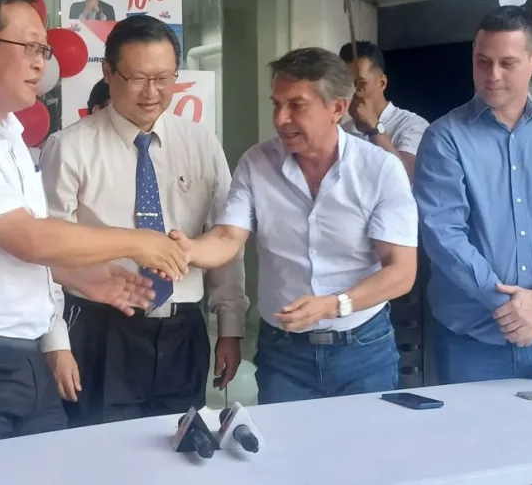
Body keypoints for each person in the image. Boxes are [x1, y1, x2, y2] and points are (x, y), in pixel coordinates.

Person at [0, 0, 189, 452]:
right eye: (29, 47)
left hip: (20, 359)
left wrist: (80, 276)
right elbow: (26, 237)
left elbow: (7, 247)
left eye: (44, 49)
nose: (41, 62)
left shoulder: (5, 129)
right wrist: (138, 241)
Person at [169, 47, 417, 404]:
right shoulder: (258, 163)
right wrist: (187, 250)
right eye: (276, 104)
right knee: (285, 455)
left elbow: (401, 271)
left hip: (362, 346)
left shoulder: (380, 170)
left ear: (337, 109)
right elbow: (227, 237)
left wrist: (334, 305)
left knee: (367, 454)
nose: (281, 118)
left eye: (296, 105)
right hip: (284, 352)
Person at [40, 15, 248, 426]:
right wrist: (55, 342)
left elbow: (223, 237)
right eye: (138, 78)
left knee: (179, 445)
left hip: (182, 329)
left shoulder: (200, 142)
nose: (152, 93)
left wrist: (230, 326)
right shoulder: (69, 148)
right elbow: (45, 253)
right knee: (103, 454)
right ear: (108, 72)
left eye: (164, 78)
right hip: (101, 330)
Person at [413, 6, 532, 388]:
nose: (493, 75)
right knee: (471, 446)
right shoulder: (444, 137)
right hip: (470, 339)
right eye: (482, 62)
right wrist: (511, 310)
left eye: (507, 62)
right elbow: (443, 233)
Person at [339, 41, 429, 180]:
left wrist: (375, 129)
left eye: (360, 84)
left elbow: (406, 177)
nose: (353, 93)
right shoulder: (342, 131)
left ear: (382, 83)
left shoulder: (412, 124)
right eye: (347, 86)